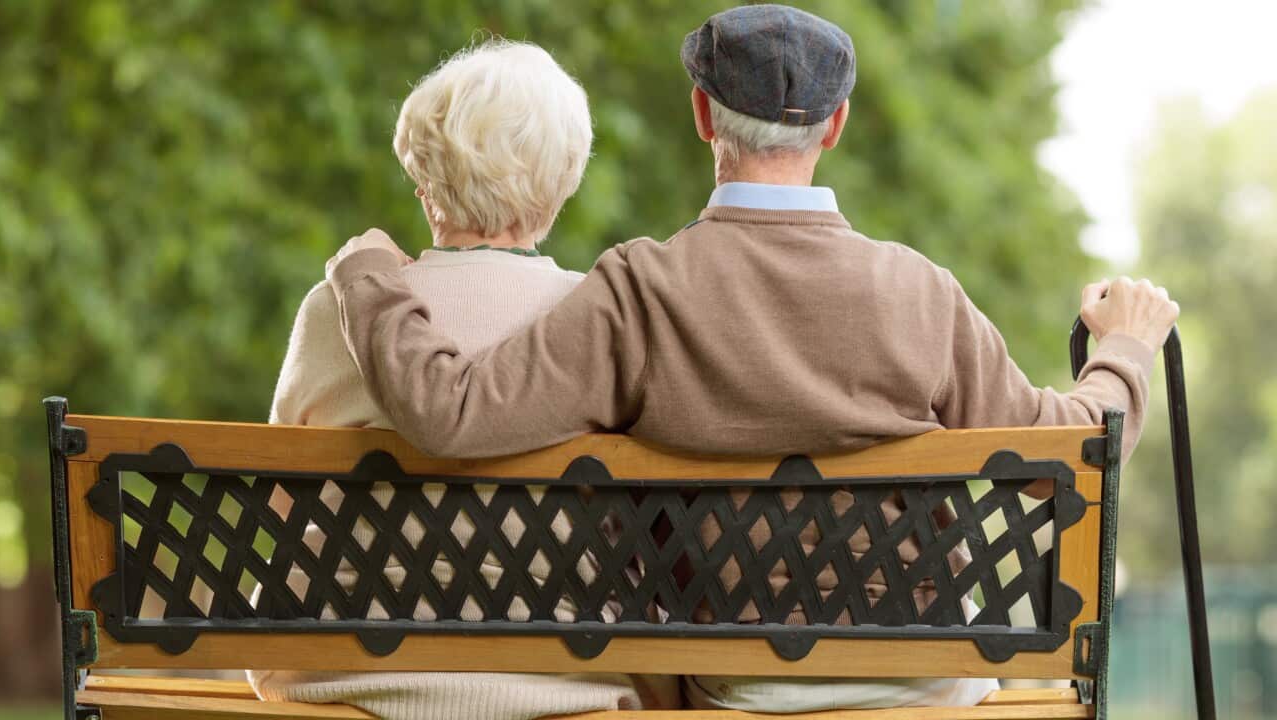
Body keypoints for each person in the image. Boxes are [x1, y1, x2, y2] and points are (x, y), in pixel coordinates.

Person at [322, 4, 1180, 713]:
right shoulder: (917, 292)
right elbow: (1068, 452)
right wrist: (1127, 349)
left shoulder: (641, 288)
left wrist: (368, 274)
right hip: (923, 679)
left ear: (702, 115)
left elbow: (453, 412)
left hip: (737, 684)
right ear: (835, 125)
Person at [248, 39, 677, 720]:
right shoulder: (601, 320)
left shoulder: (334, 310)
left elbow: (280, 502)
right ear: (563, 181)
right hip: (572, 680)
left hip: (335, 670)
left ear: (424, 180)